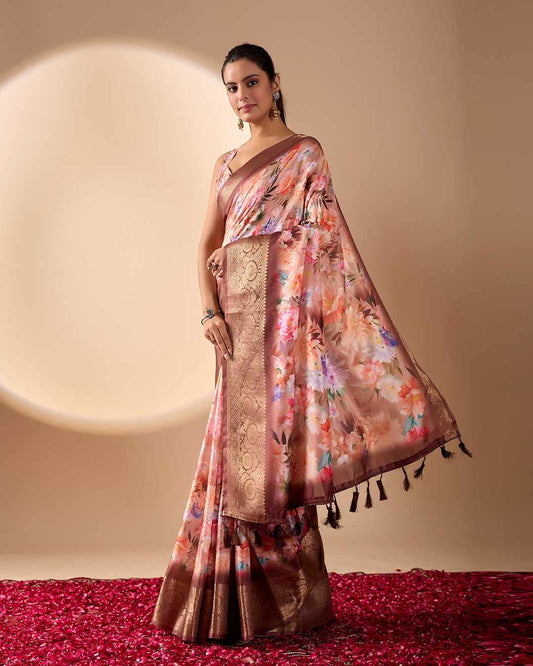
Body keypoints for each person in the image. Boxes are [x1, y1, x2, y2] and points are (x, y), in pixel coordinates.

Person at [151, 43, 472, 645]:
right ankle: (226, 592)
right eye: (231, 87)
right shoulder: (224, 164)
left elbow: (322, 242)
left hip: (283, 322)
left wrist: (267, 276)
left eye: (251, 82)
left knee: (277, 450)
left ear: (274, 83)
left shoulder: (304, 154)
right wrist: (209, 311)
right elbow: (205, 244)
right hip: (236, 321)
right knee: (233, 450)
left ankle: (282, 598)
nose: (242, 96)